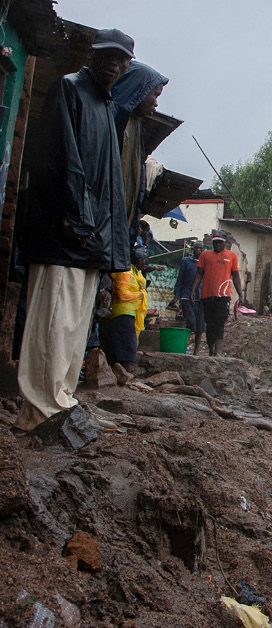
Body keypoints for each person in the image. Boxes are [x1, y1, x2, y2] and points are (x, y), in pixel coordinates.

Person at [13, 29, 134, 431]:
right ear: (92, 56)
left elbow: (109, 187)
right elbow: (61, 158)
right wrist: (76, 219)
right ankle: (39, 410)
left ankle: (60, 401)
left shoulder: (104, 104)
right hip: (64, 236)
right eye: (107, 56)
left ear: (127, 65)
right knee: (55, 323)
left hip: (89, 239)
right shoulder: (69, 90)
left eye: (121, 59)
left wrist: (107, 244)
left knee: (74, 329)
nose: (113, 65)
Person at [111, 61, 167, 245]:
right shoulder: (111, 122)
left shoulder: (135, 128)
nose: (156, 103)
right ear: (138, 91)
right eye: (155, 94)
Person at [190, 232, 244, 356]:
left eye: (220, 242)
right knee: (209, 323)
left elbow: (235, 276)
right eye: (215, 242)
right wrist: (193, 290)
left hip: (223, 295)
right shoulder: (205, 255)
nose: (217, 244)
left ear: (224, 242)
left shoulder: (232, 256)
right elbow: (199, 273)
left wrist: (241, 295)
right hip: (207, 294)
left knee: (220, 321)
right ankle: (211, 349)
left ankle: (218, 350)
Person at [103, 246, 149, 373]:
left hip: (131, 313)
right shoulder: (126, 273)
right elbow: (122, 295)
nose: (145, 264)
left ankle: (122, 372)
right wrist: (141, 294)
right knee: (127, 344)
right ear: (139, 260)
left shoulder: (136, 273)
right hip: (123, 312)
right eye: (144, 261)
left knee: (126, 343)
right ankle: (124, 372)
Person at [171, 241, 205, 354]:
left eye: (201, 248)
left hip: (200, 297)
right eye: (196, 248)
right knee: (191, 322)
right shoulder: (186, 262)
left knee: (200, 326)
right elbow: (180, 278)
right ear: (193, 249)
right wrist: (177, 295)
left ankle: (196, 351)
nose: (198, 250)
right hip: (186, 296)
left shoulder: (206, 263)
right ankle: (184, 345)